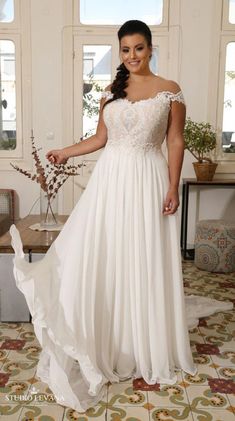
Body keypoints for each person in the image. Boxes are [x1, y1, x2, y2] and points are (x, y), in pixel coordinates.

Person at [9, 20, 233, 413]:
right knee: (103, 253)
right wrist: (63, 150)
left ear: (151, 49)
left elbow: (175, 140)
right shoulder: (110, 94)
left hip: (147, 179)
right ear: (120, 52)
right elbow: (99, 140)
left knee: (141, 255)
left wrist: (172, 186)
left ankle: (141, 337)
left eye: (139, 48)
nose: (132, 56)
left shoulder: (170, 91)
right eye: (126, 50)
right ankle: (108, 331)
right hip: (109, 182)